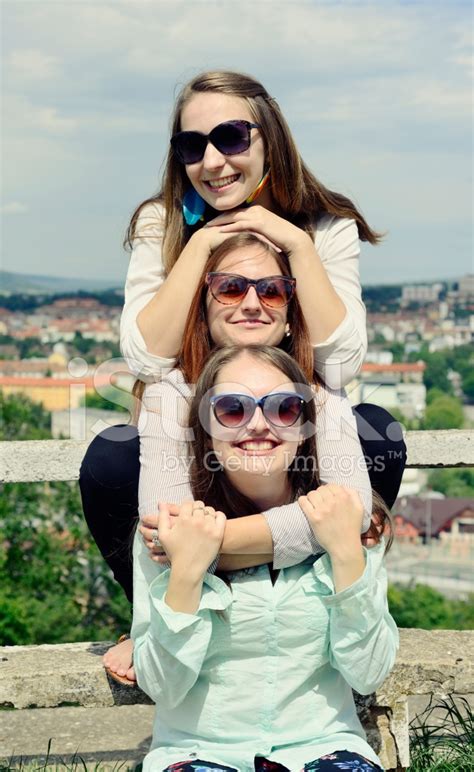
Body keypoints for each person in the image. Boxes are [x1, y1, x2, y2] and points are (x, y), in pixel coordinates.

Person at [79, 70, 406, 679]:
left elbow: (339, 363)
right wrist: (201, 247)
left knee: (375, 432)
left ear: (269, 138)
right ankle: (155, 613)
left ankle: (321, 602)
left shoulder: (323, 224)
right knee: (111, 460)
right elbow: (149, 360)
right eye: (190, 145)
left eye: (230, 136)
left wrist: (298, 248)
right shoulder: (164, 221)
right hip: (196, 424)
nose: (212, 160)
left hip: (291, 426)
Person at [132, 344, 399, 771]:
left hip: (322, 744)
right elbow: (163, 686)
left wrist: (347, 553)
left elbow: (368, 672)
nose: (259, 424)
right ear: (206, 429)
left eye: (284, 408)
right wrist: (186, 572)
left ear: (305, 426)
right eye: (233, 409)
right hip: (200, 749)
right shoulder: (172, 532)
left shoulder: (347, 519)